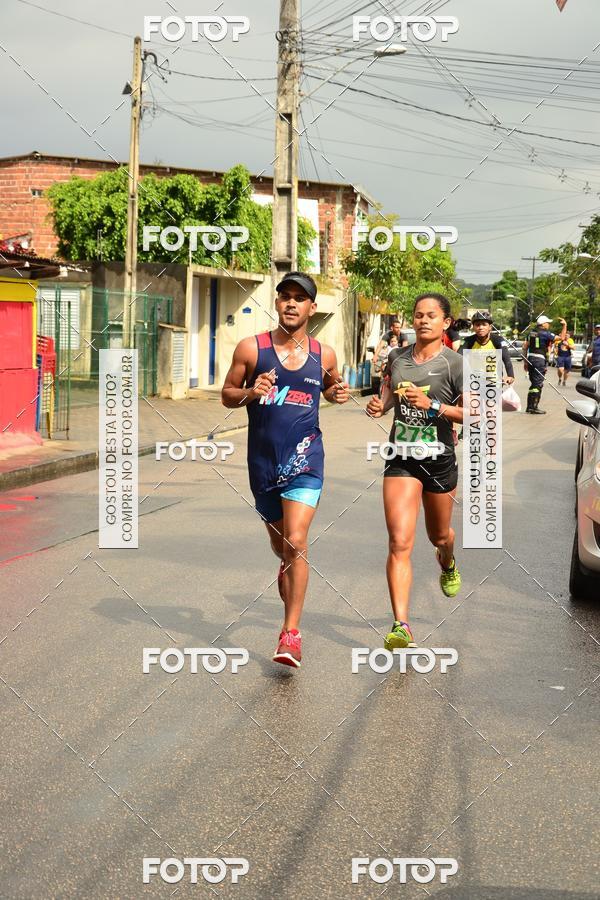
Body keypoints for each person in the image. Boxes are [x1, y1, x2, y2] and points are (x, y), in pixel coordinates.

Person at [221, 272, 350, 668]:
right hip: (262, 463)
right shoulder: (251, 348)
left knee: (297, 541)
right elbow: (227, 394)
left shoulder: (323, 354)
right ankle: (285, 569)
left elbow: (330, 386)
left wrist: (336, 393)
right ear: (276, 303)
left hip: (306, 459)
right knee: (281, 546)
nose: (291, 303)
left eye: (300, 298)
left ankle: (290, 634)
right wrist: (249, 392)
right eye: (285, 297)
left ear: (313, 307)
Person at [366, 293, 465, 651]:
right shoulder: (397, 357)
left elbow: (479, 414)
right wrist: (380, 405)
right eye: (418, 315)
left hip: (439, 459)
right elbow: (388, 394)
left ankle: (448, 559)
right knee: (399, 542)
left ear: (445, 323)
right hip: (401, 457)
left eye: (431, 316)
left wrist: (434, 405)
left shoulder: (457, 364)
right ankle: (401, 625)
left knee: (438, 536)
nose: (423, 321)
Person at [522, 314, 567, 414]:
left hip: (530, 359)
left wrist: (525, 361)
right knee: (538, 384)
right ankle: (533, 407)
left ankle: (529, 406)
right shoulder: (546, 333)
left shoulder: (531, 333)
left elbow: (525, 347)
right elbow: (562, 338)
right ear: (543, 324)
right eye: (548, 323)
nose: (549, 325)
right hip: (539, 360)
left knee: (533, 383)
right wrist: (564, 325)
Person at [459, 311, 515, 383]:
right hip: (474, 382)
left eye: (484, 325)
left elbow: (507, 360)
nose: (481, 327)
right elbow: (459, 357)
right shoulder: (468, 341)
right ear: (473, 327)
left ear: (490, 327)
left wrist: (510, 375)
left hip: (493, 383)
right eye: (477, 325)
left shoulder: (498, 340)